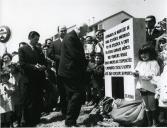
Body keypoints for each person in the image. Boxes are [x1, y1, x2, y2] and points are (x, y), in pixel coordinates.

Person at [58, 23, 88, 127]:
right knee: (76, 95)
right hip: (70, 72)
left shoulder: (71, 36)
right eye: (85, 31)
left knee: (72, 96)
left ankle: (70, 121)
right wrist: (88, 63)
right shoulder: (71, 37)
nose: (86, 33)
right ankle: (70, 122)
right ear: (79, 29)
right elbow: (75, 55)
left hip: (70, 72)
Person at [18, 31, 47, 126]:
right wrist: (34, 67)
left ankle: (36, 119)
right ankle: (29, 121)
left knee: (37, 99)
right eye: (35, 39)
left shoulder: (38, 49)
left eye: (38, 40)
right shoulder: (22, 49)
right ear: (30, 38)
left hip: (38, 79)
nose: (37, 41)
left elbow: (44, 62)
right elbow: (22, 64)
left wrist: (43, 66)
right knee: (29, 101)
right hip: (28, 79)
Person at [133, 44, 160, 126]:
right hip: (142, 86)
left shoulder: (154, 63)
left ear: (151, 53)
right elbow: (136, 72)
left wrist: (140, 75)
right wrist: (135, 74)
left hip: (151, 87)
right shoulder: (140, 63)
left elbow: (151, 76)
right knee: (146, 106)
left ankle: (155, 123)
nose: (143, 55)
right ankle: (149, 123)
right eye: (142, 53)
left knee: (152, 105)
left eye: (145, 53)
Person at [49, 26, 67, 114]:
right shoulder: (54, 43)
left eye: (65, 31)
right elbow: (50, 54)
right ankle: (64, 110)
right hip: (60, 69)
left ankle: (71, 109)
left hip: (70, 69)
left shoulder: (70, 41)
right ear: (58, 32)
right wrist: (61, 58)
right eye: (61, 31)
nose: (63, 32)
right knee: (62, 90)